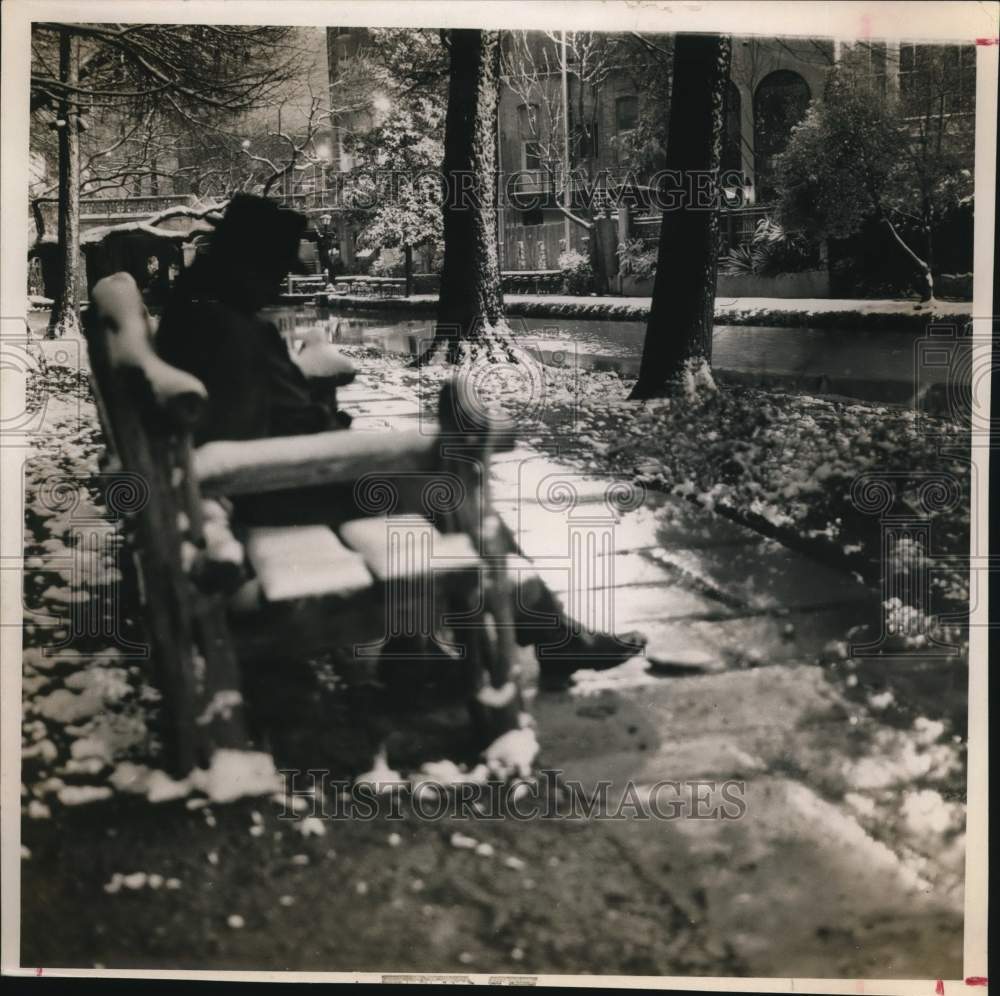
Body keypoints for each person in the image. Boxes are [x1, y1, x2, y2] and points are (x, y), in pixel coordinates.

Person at [156, 194, 650, 691]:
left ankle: (427, 648)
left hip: (266, 488)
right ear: (247, 264)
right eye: (273, 271)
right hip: (276, 493)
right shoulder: (226, 332)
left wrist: (312, 416)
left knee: (433, 493)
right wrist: (330, 439)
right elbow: (239, 442)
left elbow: (246, 420)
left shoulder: (200, 311)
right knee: (450, 489)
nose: (277, 285)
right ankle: (544, 636)